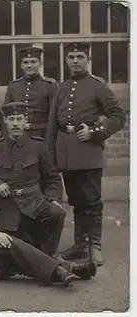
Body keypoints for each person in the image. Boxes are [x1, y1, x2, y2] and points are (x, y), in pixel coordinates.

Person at [46, 42, 127, 266]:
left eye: (80, 56)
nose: (75, 60)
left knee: (91, 201)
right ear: (66, 60)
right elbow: (53, 125)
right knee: (76, 201)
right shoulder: (62, 87)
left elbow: (118, 116)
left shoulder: (97, 86)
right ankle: (80, 245)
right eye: (71, 56)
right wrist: (51, 155)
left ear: (88, 59)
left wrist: (94, 132)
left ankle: (94, 246)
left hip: (88, 152)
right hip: (67, 154)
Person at [0, 102, 64, 257]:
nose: (15, 123)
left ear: (25, 121)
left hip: (34, 201)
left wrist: (53, 198)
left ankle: (49, 256)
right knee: (15, 248)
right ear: (5, 121)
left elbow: (52, 178)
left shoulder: (38, 145)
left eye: (19, 119)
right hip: (8, 205)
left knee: (56, 213)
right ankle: (43, 260)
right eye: (11, 119)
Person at [3, 47, 58, 139]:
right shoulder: (13, 86)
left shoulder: (50, 85)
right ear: (21, 65)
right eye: (25, 62)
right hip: (18, 135)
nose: (29, 65)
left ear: (40, 64)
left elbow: (54, 116)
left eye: (33, 62)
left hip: (42, 135)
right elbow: (6, 115)